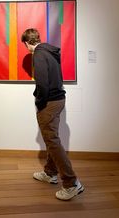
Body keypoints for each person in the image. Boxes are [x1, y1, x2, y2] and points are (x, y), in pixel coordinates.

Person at [21, 28, 84, 201]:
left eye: (24, 45)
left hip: (49, 103)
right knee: (52, 139)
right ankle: (50, 173)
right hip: (59, 100)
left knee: (53, 142)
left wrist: (39, 103)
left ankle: (71, 183)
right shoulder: (51, 52)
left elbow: (42, 83)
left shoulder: (39, 54)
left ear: (27, 43)